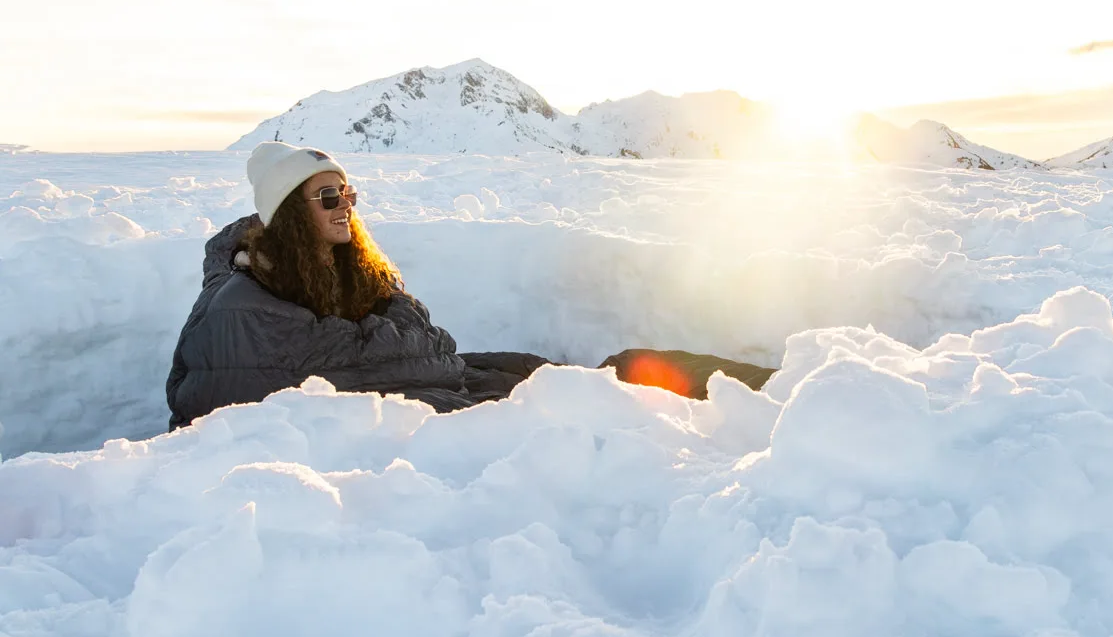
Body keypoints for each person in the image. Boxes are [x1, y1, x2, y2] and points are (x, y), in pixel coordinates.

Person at [166, 141, 775, 430]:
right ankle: (771, 406)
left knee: (605, 375)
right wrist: (410, 343)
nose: (344, 205)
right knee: (601, 401)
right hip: (423, 402)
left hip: (438, 379)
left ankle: (790, 388)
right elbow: (321, 382)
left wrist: (409, 339)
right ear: (289, 214)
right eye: (327, 196)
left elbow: (405, 342)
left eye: (347, 192)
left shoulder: (335, 270)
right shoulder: (240, 311)